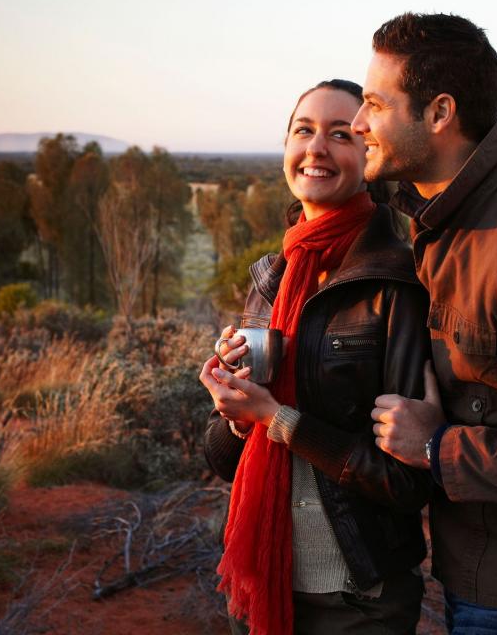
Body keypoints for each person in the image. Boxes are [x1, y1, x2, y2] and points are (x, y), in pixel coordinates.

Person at [355, 12, 497, 632]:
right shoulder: (442, 218)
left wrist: (433, 446)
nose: (357, 123)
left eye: (375, 103)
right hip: (478, 567)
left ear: (439, 113)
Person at [200, 79, 432, 635]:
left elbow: (406, 481)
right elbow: (221, 458)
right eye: (303, 130)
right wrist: (234, 414)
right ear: (285, 148)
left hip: (358, 597)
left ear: (369, 154)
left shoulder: (397, 282)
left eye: (341, 134)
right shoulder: (272, 279)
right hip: (262, 581)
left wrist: (275, 419)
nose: (317, 147)